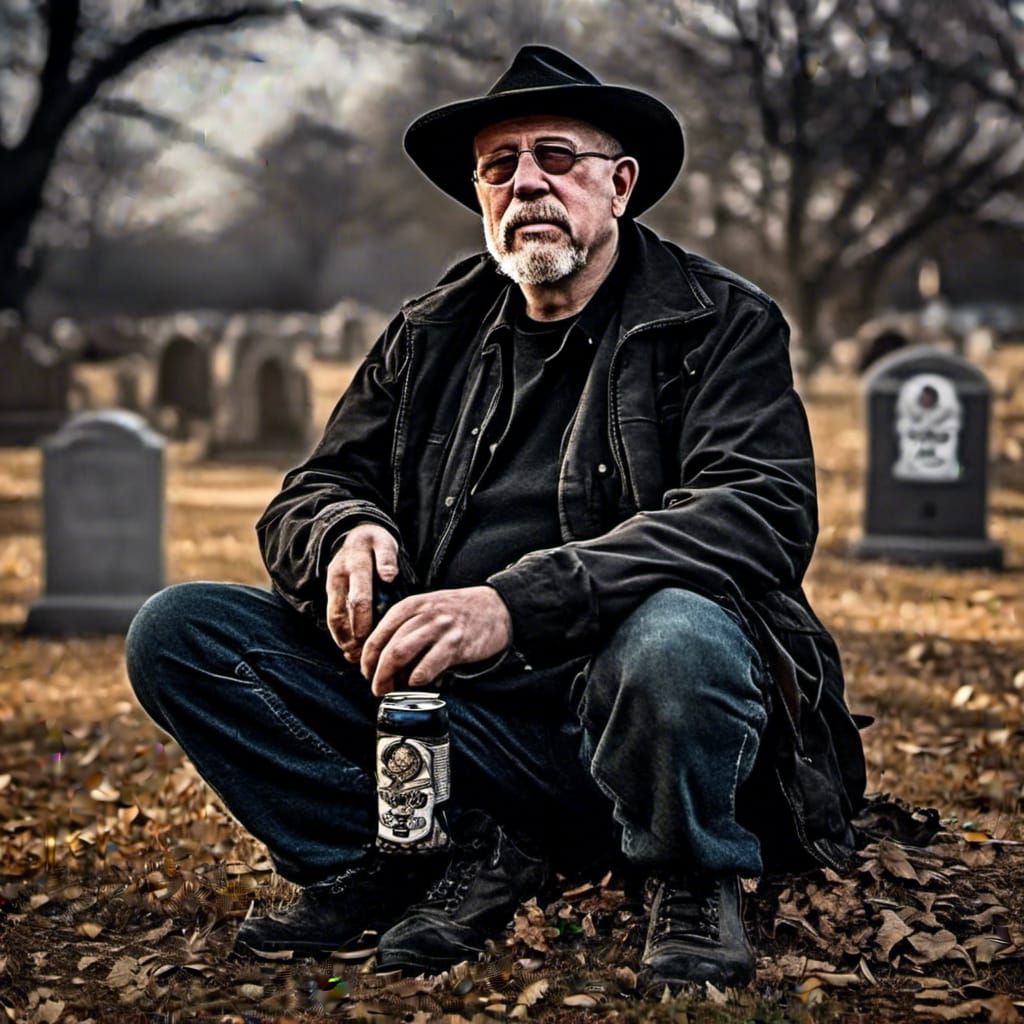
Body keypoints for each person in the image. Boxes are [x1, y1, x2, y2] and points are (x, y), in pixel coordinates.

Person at [126, 45, 867, 992]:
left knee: (680, 632)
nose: (526, 182)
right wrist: (343, 529)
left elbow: (756, 509)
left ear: (621, 185)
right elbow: (308, 491)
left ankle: (688, 871)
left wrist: (516, 602)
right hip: (452, 720)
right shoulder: (430, 328)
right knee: (182, 632)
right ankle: (412, 855)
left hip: (638, 718)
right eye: (498, 165)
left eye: (556, 156)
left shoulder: (717, 320)